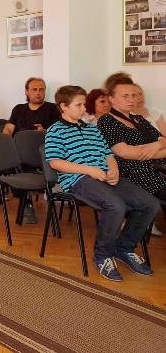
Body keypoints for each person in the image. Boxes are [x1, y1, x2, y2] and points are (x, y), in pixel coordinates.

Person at [45, 85, 158, 281]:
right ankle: (102, 256)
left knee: (150, 204)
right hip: (79, 179)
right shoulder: (55, 130)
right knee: (116, 206)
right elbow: (55, 162)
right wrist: (89, 170)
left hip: (105, 176)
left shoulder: (92, 129)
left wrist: (114, 171)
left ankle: (124, 248)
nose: (84, 109)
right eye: (78, 105)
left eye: (84, 104)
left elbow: (108, 154)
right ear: (63, 106)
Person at [97, 75, 166, 237]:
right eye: (125, 96)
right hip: (133, 174)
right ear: (111, 99)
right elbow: (124, 152)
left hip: (156, 169)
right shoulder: (107, 121)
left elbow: (163, 140)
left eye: (134, 95)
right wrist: (156, 148)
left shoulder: (138, 118)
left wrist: (155, 146)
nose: (131, 99)